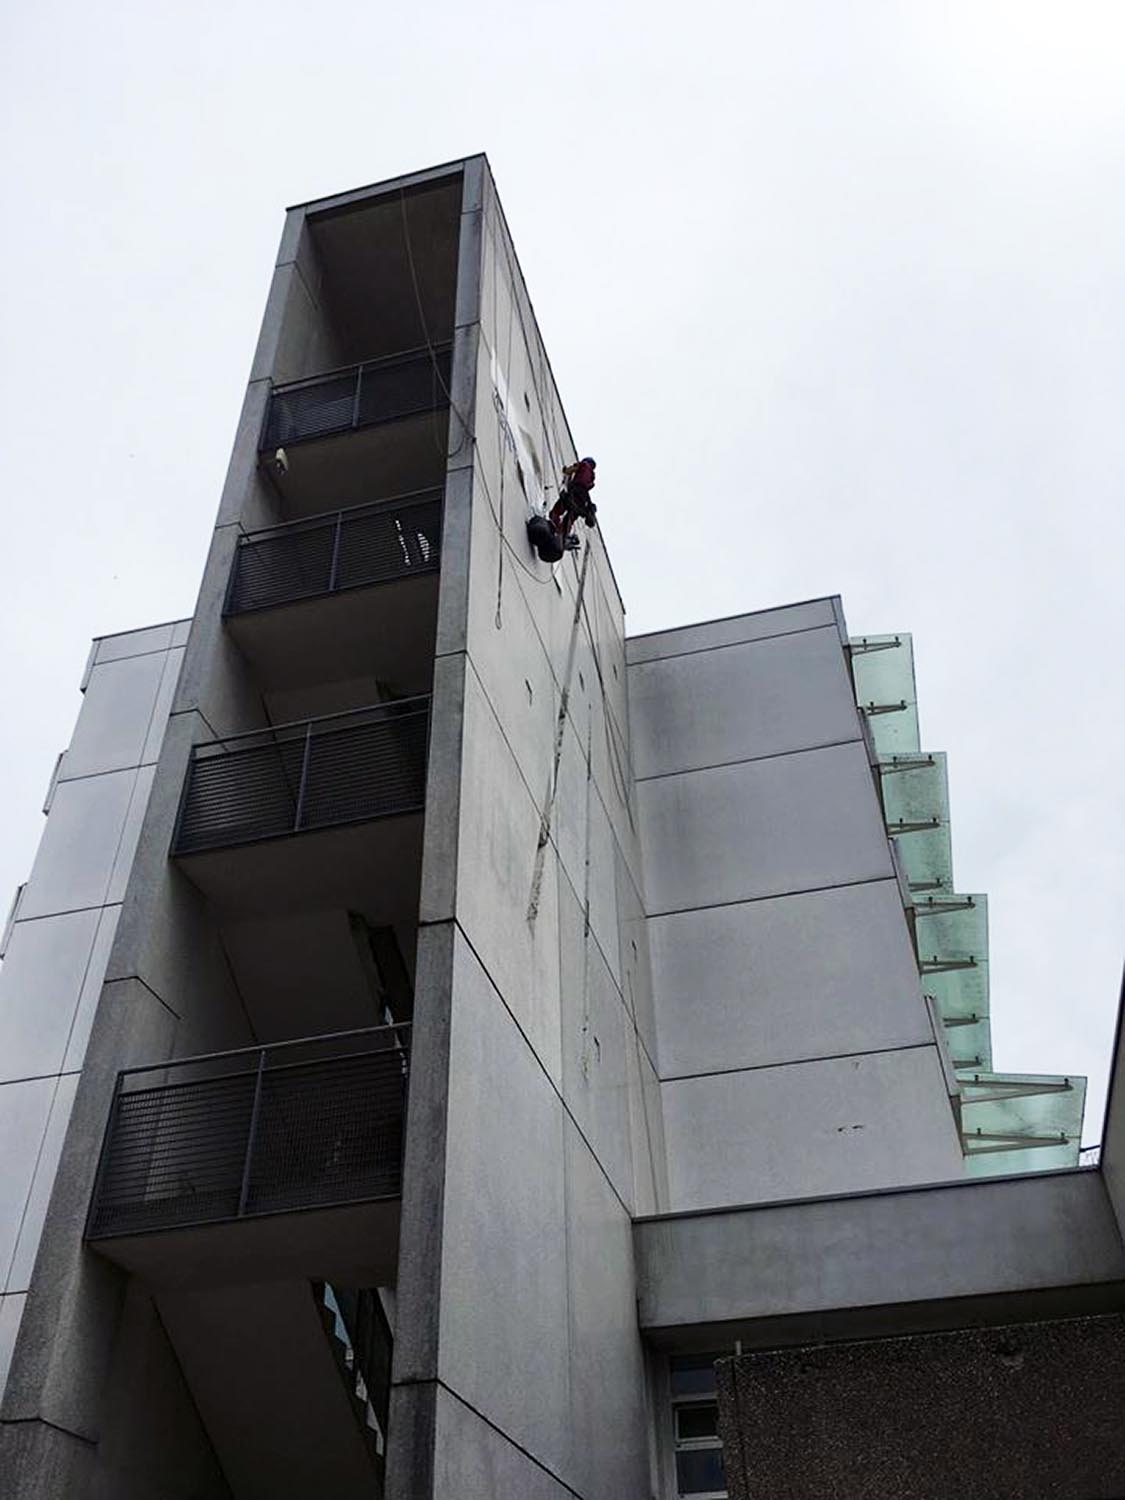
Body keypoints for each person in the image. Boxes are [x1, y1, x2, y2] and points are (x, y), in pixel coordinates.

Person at [549, 457, 597, 550]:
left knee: (558, 510)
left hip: (573, 493)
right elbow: (587, 486)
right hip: (582, 502)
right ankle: (562, 535)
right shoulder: (591, 478)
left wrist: (566, 470)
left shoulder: (584, 465)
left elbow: (570, 470)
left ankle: (554, 523)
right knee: (570, 518)